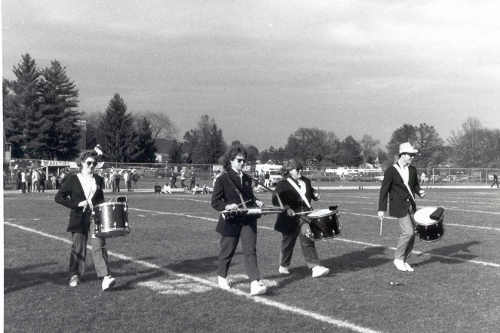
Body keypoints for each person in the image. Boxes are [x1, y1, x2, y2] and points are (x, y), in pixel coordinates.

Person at [55, 150, 116, 290]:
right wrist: (76, 204)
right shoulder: (72, 179)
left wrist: (105, 205)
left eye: (94, 163)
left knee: (99, 245)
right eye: (89, 163)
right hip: (78, 217)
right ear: (81, 163)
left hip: (95, 217)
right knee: (78, 247)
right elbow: (59, 197)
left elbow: (100, 199)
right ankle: (74, 274)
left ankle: (105, 277)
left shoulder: (99, 180)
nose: (91, 166)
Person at [211, 145, 268, 296]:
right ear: (231, 160)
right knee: (227, 251)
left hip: (248, 219)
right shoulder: (223, 179)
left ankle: (255, 282)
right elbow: (215, 202)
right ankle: (222, 277)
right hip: (231, 220)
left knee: (250, 250)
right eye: (239, 160)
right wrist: (227, 205)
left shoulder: (248, 179)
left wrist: (257, 202)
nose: (243, 163)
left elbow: (249, 198)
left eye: (244, 161)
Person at [272, 159, 330, 278]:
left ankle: (315, 267)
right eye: (297, 169)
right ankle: (283, 265)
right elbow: (276, 200)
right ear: (289, 171)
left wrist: (315, 195)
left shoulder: (306, 181)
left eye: (300, 169)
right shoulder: (282, 184)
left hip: (306, 216)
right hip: (290, 217)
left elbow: (311, 193)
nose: (300, 171)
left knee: (307, 238)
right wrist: (287, 208)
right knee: (288, 243)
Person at [378, 142, 425, 272]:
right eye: (410, 155)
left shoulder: (412, 170)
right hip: (398, 206)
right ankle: (398, 259)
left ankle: (404, 260)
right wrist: (381, 209)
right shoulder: (391, 171)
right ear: (403, 155)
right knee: (408, 232)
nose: (412, 157)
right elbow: (384, 190)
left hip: (411, 205)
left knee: (413, 234)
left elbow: (414, 185)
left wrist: (419, 191)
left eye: (413, 155)